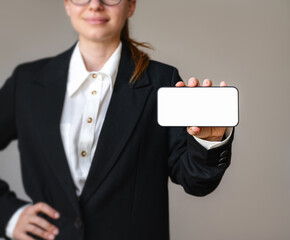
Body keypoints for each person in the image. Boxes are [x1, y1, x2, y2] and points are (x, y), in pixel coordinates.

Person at [0, 0, 234, 239]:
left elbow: (195, 181)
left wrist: (208, 141)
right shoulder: (26, 83)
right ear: (67, 5)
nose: (95, 5)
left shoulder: (162, 81)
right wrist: (8, 215)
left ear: (130, 6)